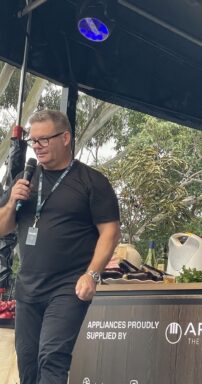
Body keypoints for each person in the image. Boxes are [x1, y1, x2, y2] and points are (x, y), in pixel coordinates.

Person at [0, 110, 121, 384]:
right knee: (27, 361)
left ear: (65, 137)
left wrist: (92, 274)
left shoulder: (91, 182)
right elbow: (3, 227)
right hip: (28, 287)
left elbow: (110, 233)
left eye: (44, 139)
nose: (37, 146)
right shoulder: (25, 179)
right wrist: (10, 202)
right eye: (33, 141)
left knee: (52, 356)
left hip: (68, 286)